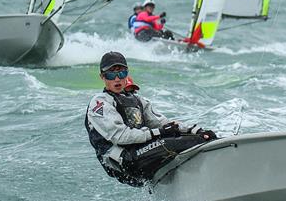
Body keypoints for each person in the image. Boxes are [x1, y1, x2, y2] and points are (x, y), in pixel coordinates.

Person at [85, 51, 217, 187]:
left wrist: (194, 130)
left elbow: (163, 124)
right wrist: (158, 133)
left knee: (197, 137)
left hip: (139, 152)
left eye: (122, 73)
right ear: (102, 77)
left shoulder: (138, 100)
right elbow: (121, 136)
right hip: (123, 161)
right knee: (173, 144)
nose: (117, 79)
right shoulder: (100, 103)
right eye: (111, 74)